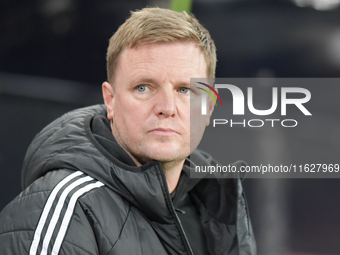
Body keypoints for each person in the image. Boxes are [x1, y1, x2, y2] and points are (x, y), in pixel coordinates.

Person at [0, 7, 256, 255]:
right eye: (144, 87)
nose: (167, 108)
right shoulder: (63, 209)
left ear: (209, 107)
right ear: (110, 100)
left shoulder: (221, 206)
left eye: (185, 90)